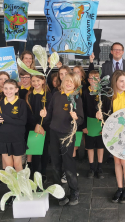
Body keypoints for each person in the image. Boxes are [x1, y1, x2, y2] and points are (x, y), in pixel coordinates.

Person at [43, 73, 84, 206]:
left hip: (68, 134)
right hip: (54, 132)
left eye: (71, 82)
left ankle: (74, 191)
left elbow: (81, 119)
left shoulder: (76, 98)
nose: (68, 83)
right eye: (66, 81)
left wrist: (76, 117)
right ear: (62, 82)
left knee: (68, 163)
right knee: (55, 164)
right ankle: (59, 193)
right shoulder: (56, 95)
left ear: (76, 84)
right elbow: (49, 114)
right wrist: (44, 114)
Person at [97, 70, 125, 204]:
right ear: (115, 82)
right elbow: (103, 113)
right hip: (113, 134)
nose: (124, 84)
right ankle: (119, 187)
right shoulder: (108, 98)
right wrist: (99, 115)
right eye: (121, 81)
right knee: (117, 162)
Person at [0, 79, 27, 173]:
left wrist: (6, 118)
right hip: (3, 138)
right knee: (9, 166)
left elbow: (22, 122)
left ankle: (20, 186)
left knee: (17, 164)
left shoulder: (21, 103)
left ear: (16, 90)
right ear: (2, 90)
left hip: (17, 138)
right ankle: (12, 187)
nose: (8, 91)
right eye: (6, 88)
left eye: (11, 88)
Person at [25, 75, 52, 182]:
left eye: (38, 80)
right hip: (32, 127)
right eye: (33, 81)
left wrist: (41, 124)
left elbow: (50, 112)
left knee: (44, 150)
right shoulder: (29, 95)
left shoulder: (49, 95)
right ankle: (35, 172)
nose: (36, 83)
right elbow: (28, 113)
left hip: (45, 127)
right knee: (35, 150)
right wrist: (36, 124)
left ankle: (43, 172)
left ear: (43, 81)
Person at [82, 70, 105, 179]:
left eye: (96, 78)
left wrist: (105, 125)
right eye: (91, 78)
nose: (94, 81)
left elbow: (106, 109)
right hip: (89, 122)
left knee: (100, 146)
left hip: (100, 123)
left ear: (99, 80)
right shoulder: (85, 93)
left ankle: (99, 168)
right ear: (88, 80)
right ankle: (91, 168)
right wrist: (84, 126)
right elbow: (83, 109)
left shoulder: (103, 92)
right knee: (90, 146)